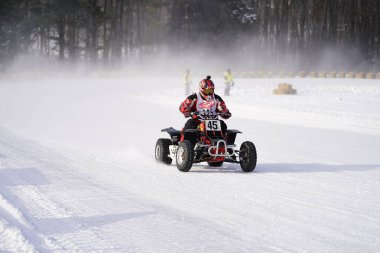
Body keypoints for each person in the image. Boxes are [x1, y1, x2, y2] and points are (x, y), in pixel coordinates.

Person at [179, 75, 231, 145]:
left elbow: (222, 108)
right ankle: (184, 145)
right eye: (207, 91)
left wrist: (225, 113)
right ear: (202, 89)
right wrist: (188, 112)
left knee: (223, 125)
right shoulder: (194, 97)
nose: (209, 93)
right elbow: (183, 106)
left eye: (211, 90)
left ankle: (223, 145)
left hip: (213, 121)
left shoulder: (217, 98)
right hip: (198, 121)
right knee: (190, 124)